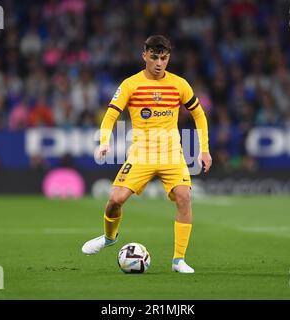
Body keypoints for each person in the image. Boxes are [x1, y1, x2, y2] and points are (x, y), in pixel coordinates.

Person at [81, 35, 212, 273]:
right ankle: (109, 238)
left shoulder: (180, 84)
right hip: (141, 153)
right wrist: (103, 141)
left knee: (184, 197)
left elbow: (199, 115)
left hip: (172, 153)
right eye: (154, 58)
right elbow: (111, 115)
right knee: (115, 201)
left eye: (164, 58)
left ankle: (178, 260)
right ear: (145, 56)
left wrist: (204, 149)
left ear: (168, 57)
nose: (159, 63)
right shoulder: (131, 84)